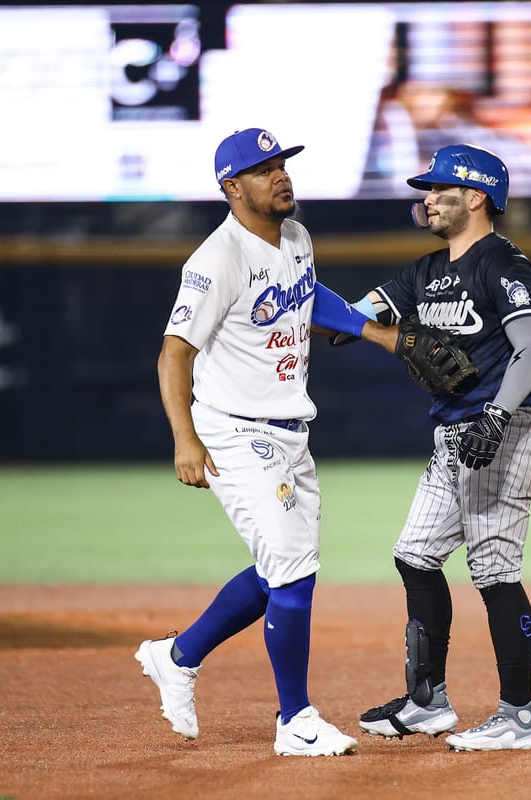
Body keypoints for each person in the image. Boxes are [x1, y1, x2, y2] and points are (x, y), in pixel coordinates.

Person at [140, 127, 395, 757]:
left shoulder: (298, 237)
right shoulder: (215, 260)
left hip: (289, 429)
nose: (280, 176)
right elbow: (173, 357)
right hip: (235, 430)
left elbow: (307, 300)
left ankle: (178, 656)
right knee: (294, 572)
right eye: (263, 169)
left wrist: (378, 335)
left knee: (282, 568)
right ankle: (295, 719)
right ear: (232, 188)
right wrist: (186, 440)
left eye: (281, 164)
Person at [352, 143, 531, 751]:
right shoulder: (423, 272)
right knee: (415, 555)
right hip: (453, 437)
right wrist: (297, 301)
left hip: (506, 430)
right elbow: (359, 312)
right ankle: (427, 700)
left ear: (477, 197)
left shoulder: (503, 264)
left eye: (440, 188)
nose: (428, 198)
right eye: (426, 189)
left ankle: (519, 715)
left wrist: (495, 416)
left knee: (494, 572)